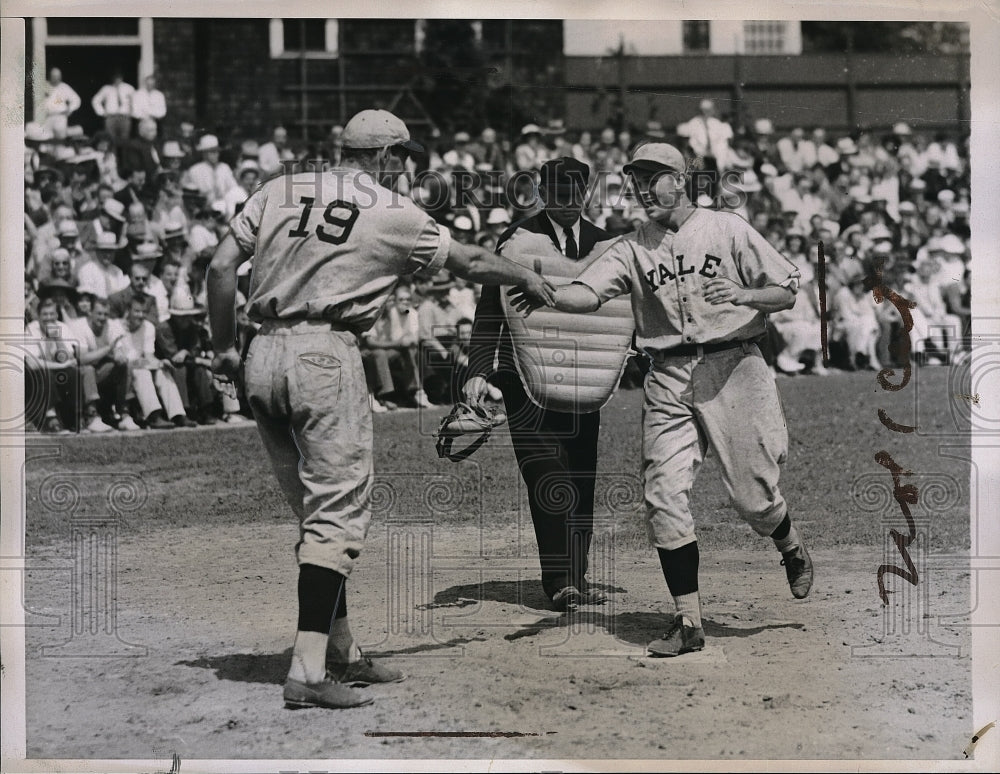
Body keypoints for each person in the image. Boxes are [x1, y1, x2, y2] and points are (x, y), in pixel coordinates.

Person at [207, 108, 554, 711]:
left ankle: (341, 651)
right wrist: (527, 274)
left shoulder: (281, 187)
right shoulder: (391, 211)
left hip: (259, 349)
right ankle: (308, 672)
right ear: (388, 155)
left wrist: (218, 347)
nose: (409, 168)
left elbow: (217, 266)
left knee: (314, 517)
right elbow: (471, 263)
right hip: (324, 353)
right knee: (335, 517)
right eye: (405, 157)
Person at [511, 142, 813, 656]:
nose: (641, 187)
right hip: (668, 374)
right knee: (662, 494)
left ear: (682, 179)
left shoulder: (727, 229)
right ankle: (688, 619)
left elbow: (786, 289)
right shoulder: (631, 247)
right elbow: (588, 292)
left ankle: (789, 545)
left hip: (734, 366)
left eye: (653, 176)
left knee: (753, 497)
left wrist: (745, 295)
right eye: (635, 177)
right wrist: (549, 291)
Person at [465, 156, 619, 611]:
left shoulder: (605, 244)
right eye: (558, 191)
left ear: (587, 192)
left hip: (581, 379)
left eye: (576, 191)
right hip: (523, 378)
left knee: (579, 474)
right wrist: (478, 368)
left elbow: (620, 308)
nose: (568, 200)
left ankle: (577, 573)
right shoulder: (516, 241)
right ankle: (559, 581)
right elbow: (490, 307)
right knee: (545, 472)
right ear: (543, 192)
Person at [91, 72, 135, 146]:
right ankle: (112, 157)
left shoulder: (129, 88)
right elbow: (95, 100)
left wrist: (132, 112)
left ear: (122, 78)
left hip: (124, 117)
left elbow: (136, 101)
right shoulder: (106, 89)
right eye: (115, 78)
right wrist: (102, 112)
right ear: (112, 79)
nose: (117, 80)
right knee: (110, 140)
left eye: (119, 78)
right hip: (111, 118)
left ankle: (124, 157)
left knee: (125, 140)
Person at [42, 68, 81, 140]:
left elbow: (76, 100)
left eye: (57, 76)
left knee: (60, 138)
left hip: (60, 117)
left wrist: (70, 109)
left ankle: (77, 131)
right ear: (50, 76)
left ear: (60, 77)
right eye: (53, 76)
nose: (55, 78)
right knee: (45, 138)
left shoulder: (64, 87)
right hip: (47, 117)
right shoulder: (44, 85)